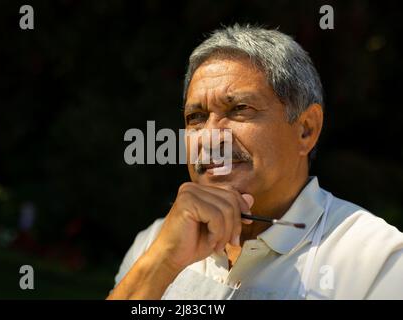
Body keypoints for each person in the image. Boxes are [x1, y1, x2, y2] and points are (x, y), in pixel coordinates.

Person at [107, 24, 403, 300]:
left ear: (306, 129)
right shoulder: (156, 241)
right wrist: (162, 261)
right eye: (196, 117)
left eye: (239, 109)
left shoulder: (378, 260)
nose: (210, 138)